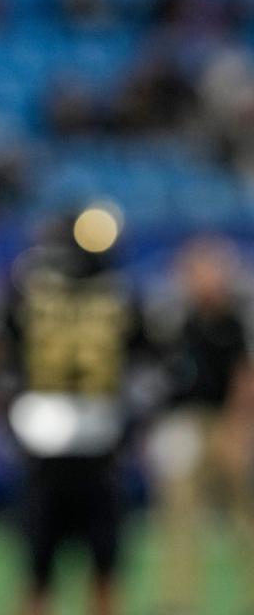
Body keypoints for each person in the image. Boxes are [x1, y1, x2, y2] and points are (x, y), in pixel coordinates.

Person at [0, 212, 149, 615]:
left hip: (48, 445)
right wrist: (137, 419)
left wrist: (6, 411)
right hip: (99, 444)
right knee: (99, 572)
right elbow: (155, 365)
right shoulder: (121, 294)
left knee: (43, 574)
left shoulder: (29, 290)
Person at [144, 235, 254, 613]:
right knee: (178, 513)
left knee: (243, 515)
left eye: (207, 270)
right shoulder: (180, 320)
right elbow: (165, 378)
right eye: (194, 271)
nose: (200, 278)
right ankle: (180, 598)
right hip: (186, 423)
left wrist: (240, 427)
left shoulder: (231, 320)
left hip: (223, 421)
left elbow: (243, 376)